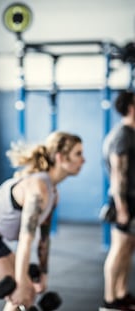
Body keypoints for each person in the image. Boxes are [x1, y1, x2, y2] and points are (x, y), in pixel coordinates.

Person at [0, 131, 85, 311]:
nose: (83, 160)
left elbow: (44, 240)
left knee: (26, 296)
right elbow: (25, 242)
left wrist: (43, 274)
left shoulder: (53, 193)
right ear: (60, 157)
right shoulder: (38, 189)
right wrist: (21, 284)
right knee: (22, 294)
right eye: (78, 154)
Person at [101, 90, 135, 311]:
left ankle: (121, 293)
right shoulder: (123, 135)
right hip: (124, 201)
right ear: (131, 107)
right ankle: (109, 299)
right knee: (119, 248)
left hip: (131, 199)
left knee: (128, 248)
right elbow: (117, 174)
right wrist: (121, 207)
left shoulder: (130, 133)